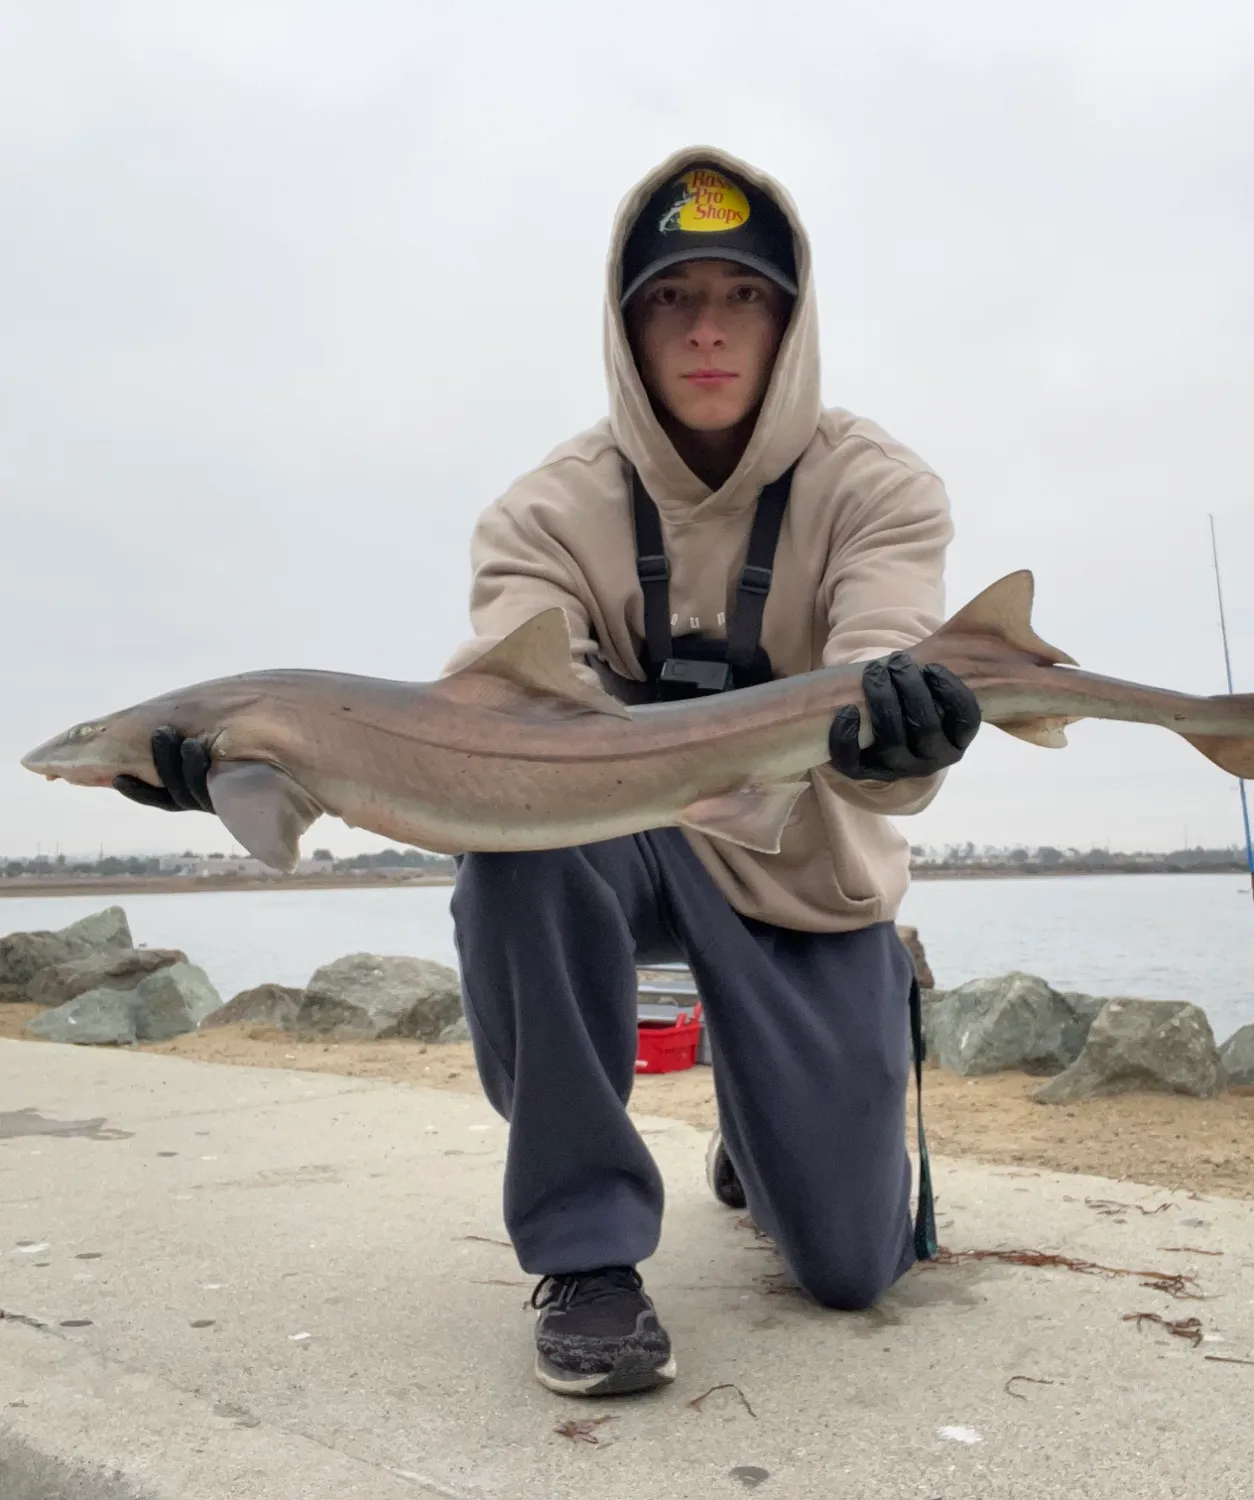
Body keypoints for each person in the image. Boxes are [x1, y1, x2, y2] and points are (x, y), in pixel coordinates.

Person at [113, 147, 983, 1400]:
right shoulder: (546, 512)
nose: (707, 331)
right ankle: (588, 1253)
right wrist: (260, 769)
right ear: (626, 325)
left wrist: (909, 743)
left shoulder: (877, 488)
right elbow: (473, 746)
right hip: (610, 835)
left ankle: (765, 1122)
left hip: (802, 866)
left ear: (789, 322)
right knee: (515, 855)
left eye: (742, 297)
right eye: (671, 299)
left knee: (852, 1268)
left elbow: (880, 691)